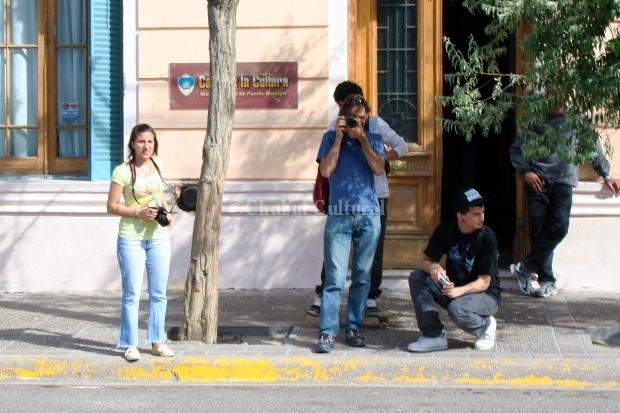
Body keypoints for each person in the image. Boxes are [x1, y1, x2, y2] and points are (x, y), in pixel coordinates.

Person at [307, 81, 408, 317]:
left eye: (346, 103)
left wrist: (382, 159)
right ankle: (325, 293)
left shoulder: (374, 125)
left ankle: (371, 296)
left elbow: (402, 146)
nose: (348, 110)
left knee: (374, 249)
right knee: (335, 250)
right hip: (344, 199)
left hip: (376, 196)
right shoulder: (338, 127)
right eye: (344, 105)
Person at [509, 106, 619, 298]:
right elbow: (517, 149)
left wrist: (606, 174)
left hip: (563, 181)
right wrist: (525, 171)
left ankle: (526, 267)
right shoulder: (535, 117)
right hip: (537, 181)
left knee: (559, 228)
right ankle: (547, 280)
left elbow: (593, 146)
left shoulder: (578, 119)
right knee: (539, 232)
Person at [315, 94, 386, 353]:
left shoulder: (374, 139)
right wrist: (338, 138)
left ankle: (354, 327)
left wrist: (363, 138)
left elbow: (378, 169)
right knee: (334, 278)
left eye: (362, 117)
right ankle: (327, 333)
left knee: (362, 277)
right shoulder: (329, 138)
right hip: (339, 215)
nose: (359, 122)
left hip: (368, 215)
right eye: (354, 117)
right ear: (343, 116)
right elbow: (325, 171)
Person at [106, 123, 175, 362]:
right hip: (131, 239)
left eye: (150, 141)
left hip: (158, 238)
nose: (146, 146)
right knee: (132, 293)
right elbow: (111, 206)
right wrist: (137, 213)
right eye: (141, 141)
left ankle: (157, 342)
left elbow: (160, 196)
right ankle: (130, 344)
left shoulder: (158, 166)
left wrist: (168, 214)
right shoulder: (122, 171)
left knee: (159, 293)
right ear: (132, 144)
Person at [407, 187, 501, 352]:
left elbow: (484, 282)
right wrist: (434, 267)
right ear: (461, 216)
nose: (482, 218)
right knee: (417, 278)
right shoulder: (446, 229)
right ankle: (433, 335)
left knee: (457, 309)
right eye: (476, 214)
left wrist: (458, 291)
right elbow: (423, 262)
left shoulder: (488, 237)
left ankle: (485, 326)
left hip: (485, 295)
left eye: (483, 212)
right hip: (453, 288)